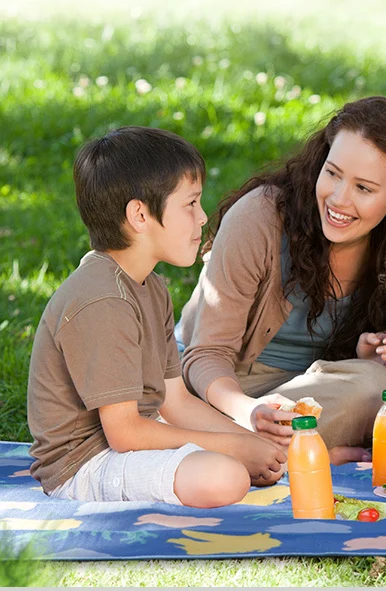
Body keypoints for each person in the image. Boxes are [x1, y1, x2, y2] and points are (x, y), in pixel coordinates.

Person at [27, 127, 287, 507]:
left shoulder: (151, 287)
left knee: (252, 456)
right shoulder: (104, 300)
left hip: (136, 438)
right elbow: (125, 434)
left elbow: (175, 401)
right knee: (226, 475)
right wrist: (233, 448)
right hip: (84, 464)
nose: (202, 218)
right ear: (140, 215)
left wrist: (248, 441)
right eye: (190, 204)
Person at [176, 97, 386, 464]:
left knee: (376, 387)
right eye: (332, 173)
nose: (338, 199)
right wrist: (248, 412)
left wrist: (375, 352)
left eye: (364, 188)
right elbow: (205, 354)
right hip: (221, 387)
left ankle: (255, 452)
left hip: (309, 395)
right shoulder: (260, 219)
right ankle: (305, 454)